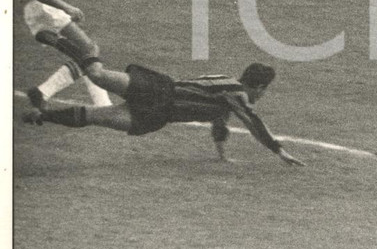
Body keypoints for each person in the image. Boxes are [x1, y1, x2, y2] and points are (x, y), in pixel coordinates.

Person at [23, 56, 305, 167]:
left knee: (96, 115)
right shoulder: (237, 93)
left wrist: (222, 156)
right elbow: (253, 122)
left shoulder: (229, 95)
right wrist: (279, 151)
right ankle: (70, 47)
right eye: (264, 90)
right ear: (258, 87)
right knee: (97, 77)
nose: (262, 95)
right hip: (158, 92)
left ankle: (41, 115)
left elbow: (220, 124)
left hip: (158, 111)